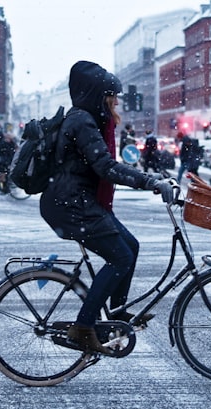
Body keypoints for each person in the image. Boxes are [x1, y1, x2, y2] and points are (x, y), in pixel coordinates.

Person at [40, 61, 173, 354]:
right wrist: (149, 181)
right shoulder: (82, 122)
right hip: (71, 205)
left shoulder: (86, 119)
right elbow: (105, 167)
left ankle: (116, 313)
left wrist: (152, 179)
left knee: (131, 246)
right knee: (120, 258)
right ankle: (84, 328)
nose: (116, 101)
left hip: (76, 201)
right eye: (112, 95)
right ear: (97, 95)